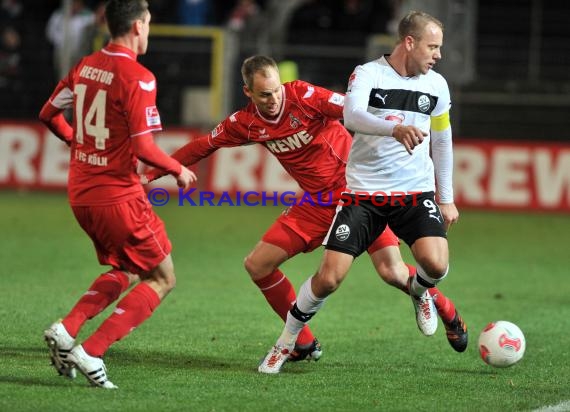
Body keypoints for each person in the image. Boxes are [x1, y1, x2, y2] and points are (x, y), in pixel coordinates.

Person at [142, 54, 466, 365]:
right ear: (248, 93)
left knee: (392, 273)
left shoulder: (305, 97)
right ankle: (303, 341)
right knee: (258, 265)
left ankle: (446, 310)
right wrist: (158, 170)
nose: (274, 99)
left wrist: (395, 125)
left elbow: (353, 109)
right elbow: (203, 145)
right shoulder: (247, 123)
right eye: (265, 95)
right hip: (315, 202)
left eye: (277, 90)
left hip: (357, 195)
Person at [258, 10, 461, 374]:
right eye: (433, 46)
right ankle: (286, 342)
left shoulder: (437, 85)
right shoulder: (368, 74)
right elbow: (351, 116)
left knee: (436, 263)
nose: (438, 55)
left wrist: (445, 196)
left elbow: (443, 140)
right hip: (363, 195)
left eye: (439, 48)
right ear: (409, 43)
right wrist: (392, 128)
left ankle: (420, 292)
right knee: (329, 279)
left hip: (415, 192)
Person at [39, 0, 196, 389]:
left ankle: (67, 328)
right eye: (148, 24)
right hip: (117, 196)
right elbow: (145, 149)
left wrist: (81, 146)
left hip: (81, 192)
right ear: (139, 27)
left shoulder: (84, 65)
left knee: (127, 269)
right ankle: (92, 350)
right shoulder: (139, 77)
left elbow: (47, 114)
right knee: (162, 278)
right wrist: (178, 169)